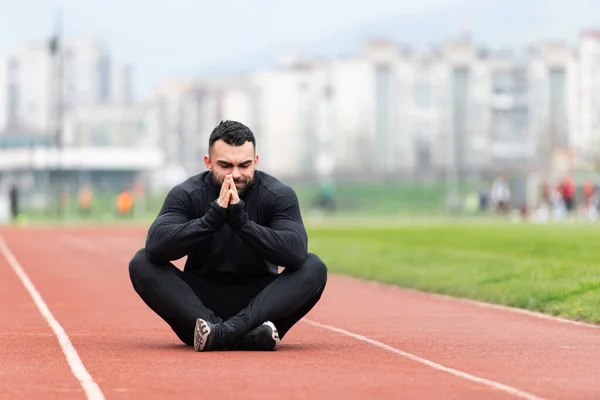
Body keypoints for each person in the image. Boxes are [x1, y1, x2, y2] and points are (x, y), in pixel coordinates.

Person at [128, 120, 328, 352]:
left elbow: (294, 253)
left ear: (256, 162)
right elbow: (156, 246)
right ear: (208, 162)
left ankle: (226, 332)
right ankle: (240, 336)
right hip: (198, 307)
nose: (235, 174)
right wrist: (212, 219)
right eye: (225, 165)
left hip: (261, 302)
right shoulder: (186, 193)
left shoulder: (278, 194)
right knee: (141, 262)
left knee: (314, 267)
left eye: (244, 165)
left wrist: (242, 223)